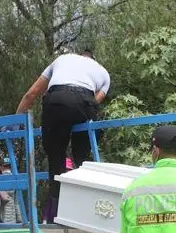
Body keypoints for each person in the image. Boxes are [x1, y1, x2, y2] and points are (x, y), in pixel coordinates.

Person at [14, 47, 110, 223]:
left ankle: (56, 213)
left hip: (57, 101)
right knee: (84, 159)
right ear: (93, 59)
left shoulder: (61, 59)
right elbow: (96, 101)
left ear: (78, 55)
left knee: (55, 159)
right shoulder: (103, 72)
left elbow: (31, 94)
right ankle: (88, 212)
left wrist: (13, 123)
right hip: (85, 103)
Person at [0, 158, 22, 224]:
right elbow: (17, 201)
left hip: (1, 215)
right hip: (12, 214)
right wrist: (19, 218)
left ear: (1, 167)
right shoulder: (15, 179)